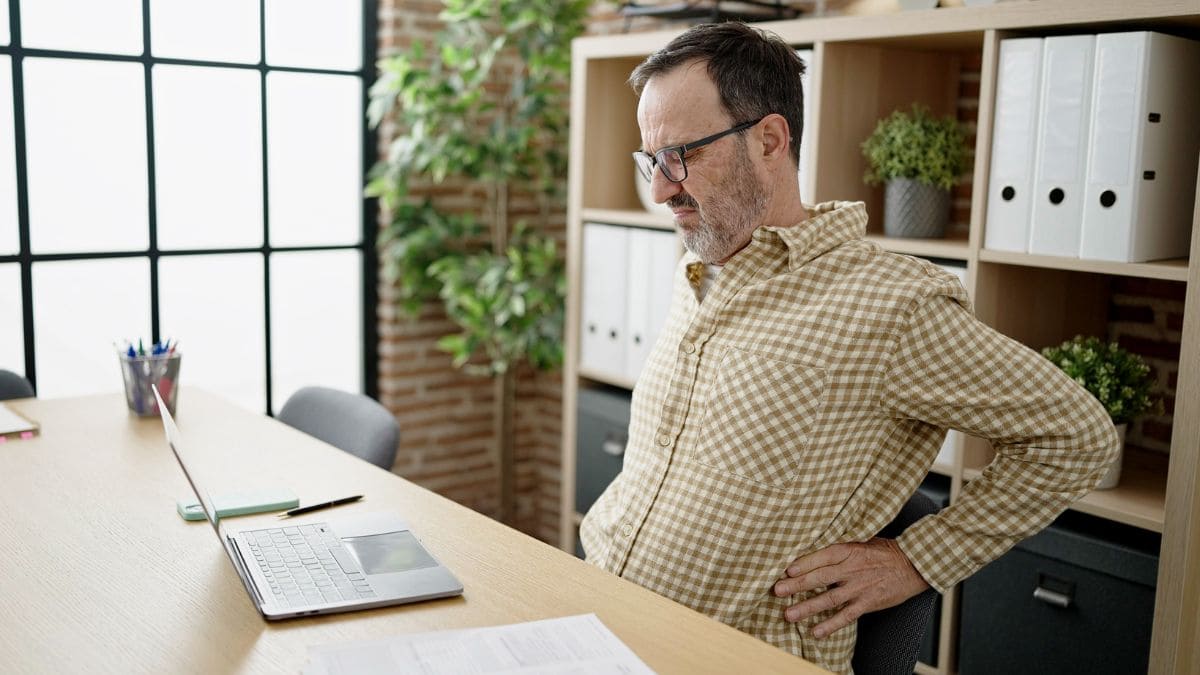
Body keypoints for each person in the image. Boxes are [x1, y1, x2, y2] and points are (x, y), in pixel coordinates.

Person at [577, 21, 1119, 674]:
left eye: (681, 156)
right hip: (595, 617)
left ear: (770, 140)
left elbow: (1078, 435)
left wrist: (919, 559)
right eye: (652, 160)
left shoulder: (895, 304)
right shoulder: (701, 260)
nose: (662, 190)